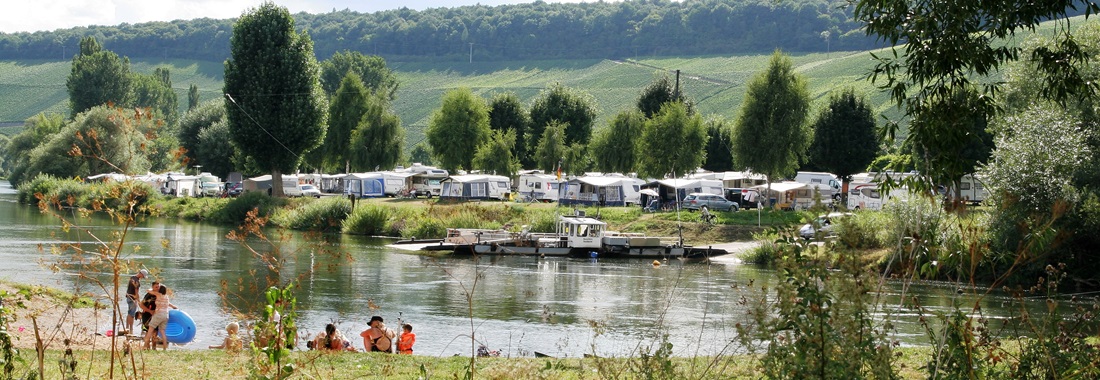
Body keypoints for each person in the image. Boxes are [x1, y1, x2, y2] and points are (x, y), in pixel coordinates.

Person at [144, 284, 177, 350]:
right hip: (165, 315)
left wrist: (153, 289)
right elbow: (168, 304)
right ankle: (165, 348)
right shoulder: (166, 296)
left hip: (158, 314)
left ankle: (144, 346)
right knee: (163, 332)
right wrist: (173, 306)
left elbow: (148, 290)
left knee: (150, 331)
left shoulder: (158, 295)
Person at [124, 269, 149, 335]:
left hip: (128, 297)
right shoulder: (137, 281)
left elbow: (129, 288)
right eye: (143, 276)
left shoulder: (132, 277)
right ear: (141, 274)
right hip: (133, 299)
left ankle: (127, 327)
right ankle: (131, 329)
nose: (142, 278)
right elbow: (136, 293)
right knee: (132, 315)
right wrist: (137, 301)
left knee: (129, 312)